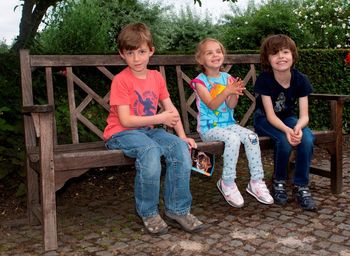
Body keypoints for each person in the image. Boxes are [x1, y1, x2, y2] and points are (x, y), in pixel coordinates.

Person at [103, 23, 205, 235]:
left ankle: (178, 209)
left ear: (151, 51)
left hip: (148, 132)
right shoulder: (121, 80)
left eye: (141, 52)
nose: (137, 58)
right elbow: (125, 119)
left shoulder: (156, 77)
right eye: (130, 53)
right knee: (150, 151)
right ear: (122, 54)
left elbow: (171, 110)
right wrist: (160, 118)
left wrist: (183, 137)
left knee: (178, 148)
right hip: (121, 133)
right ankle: (148, 212)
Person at [191, 38, 274, 208]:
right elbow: (212, 104)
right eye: (209, 52)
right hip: (209, 128)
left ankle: (256, 181)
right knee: (233, 140)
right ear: (200, 59)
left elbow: (231, 105)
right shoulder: (200, 82)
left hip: (229, 124)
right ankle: (227, 182)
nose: (215, 55)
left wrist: (234, 92)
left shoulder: (227, 78)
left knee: (251, 137)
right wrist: (228, 90)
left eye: (218, 51)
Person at [253, 34, 317, 211]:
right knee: (284, 139)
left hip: (289, 118)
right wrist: (288, 131)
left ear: (293, 55)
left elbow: (304, 116)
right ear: (268, 59)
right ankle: (279, 181)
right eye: (275, 53)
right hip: (265, 119)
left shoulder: (300, 79)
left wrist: (297, 127)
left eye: (285, 52)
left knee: (307, 139)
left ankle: (301, 186)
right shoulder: (264, 80)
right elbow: (271, 116)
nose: (281, 57)